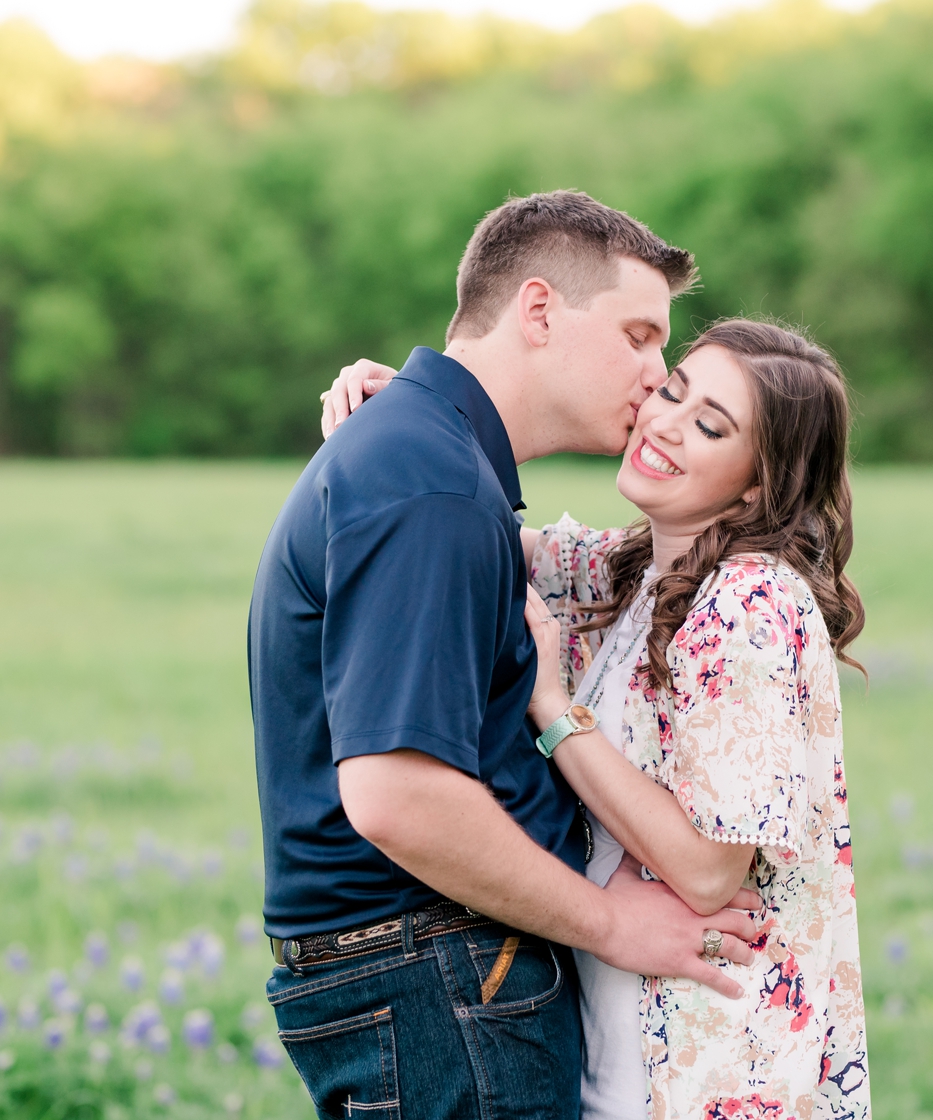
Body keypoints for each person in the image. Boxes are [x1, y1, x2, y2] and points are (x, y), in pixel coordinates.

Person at [249, 191, 760, 1120]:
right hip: (437, 968)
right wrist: (612, 925)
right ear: (537, 311)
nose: (657, 372)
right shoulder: (430, 481)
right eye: (640, 335)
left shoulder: (429, 462)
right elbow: (397, 794)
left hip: (425, 970)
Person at [323, 318, 871, 1119]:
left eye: (710, 426)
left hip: (712, 1065)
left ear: (758, 484)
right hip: (627, 1037)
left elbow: (712, 866)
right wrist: (407, 413)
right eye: (674, 392)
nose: (665, 423)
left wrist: (555, 709)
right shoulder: (637, 566)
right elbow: (468, 529)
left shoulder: (747, 604)